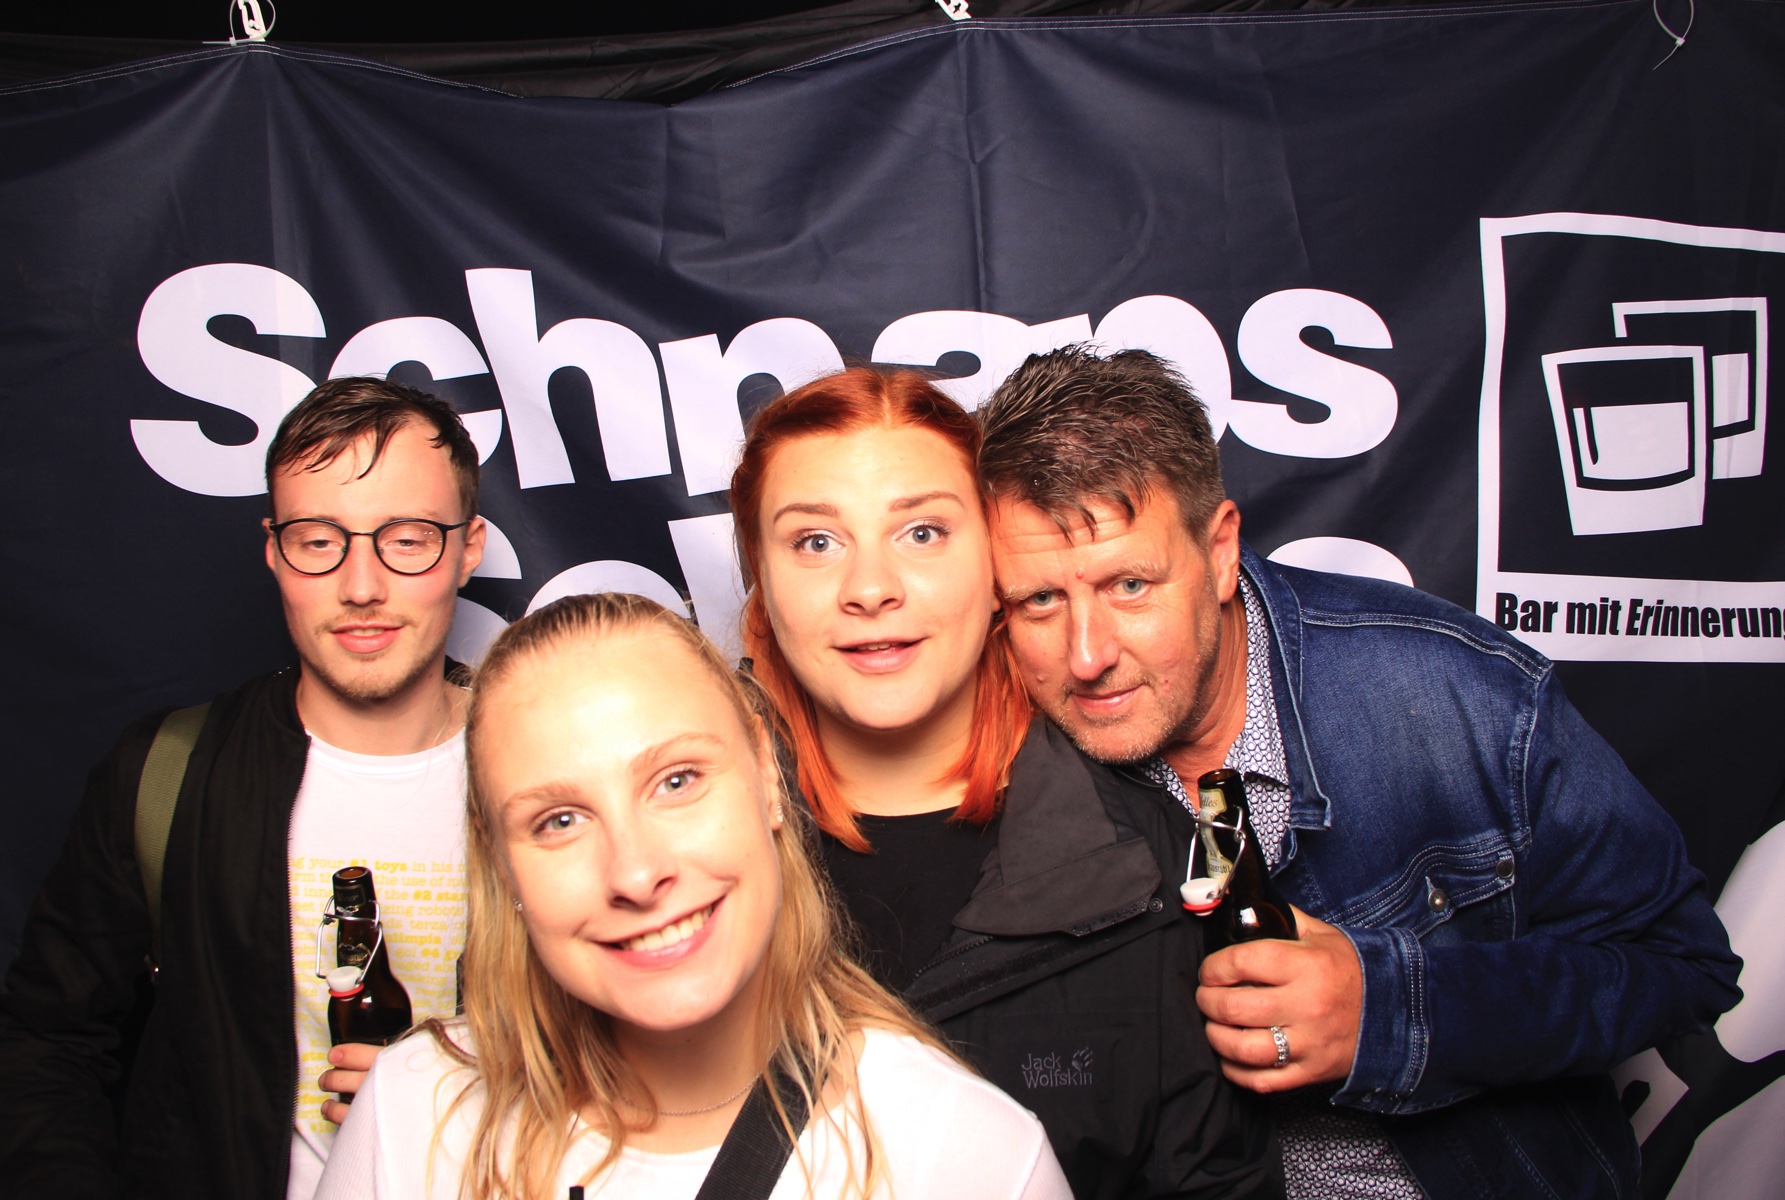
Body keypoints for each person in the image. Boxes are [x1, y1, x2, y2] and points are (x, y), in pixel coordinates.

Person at [977, 345, 1744, 1198]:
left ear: (1220, 550)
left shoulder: (1450, 694)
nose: (1087, 656)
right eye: (1040, 600)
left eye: (1128, 585)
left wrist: (1389, 1010)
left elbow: (1682, 965)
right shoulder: (988, 751)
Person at [315, 592, 1070, 1200]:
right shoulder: (412, 1115)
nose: (636, 873)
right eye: (560, 820)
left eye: (676, 781)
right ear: (501, 863)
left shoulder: (973, 1155)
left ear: (766, 777)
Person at [729, 367, 1277, 1198]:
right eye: (815, 542)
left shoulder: (1160, 864)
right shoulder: (678, 860)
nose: (870, 589)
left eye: (922, 532)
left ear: (996, 574)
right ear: (761, 585)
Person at [0, 377, 488, 1199]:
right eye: (317, 540)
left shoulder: (553, 775)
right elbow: (46, 1046)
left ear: (468, 548)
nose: (361, 585)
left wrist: (495, 1088)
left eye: (407, 539)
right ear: (273, 550)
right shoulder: (168, 774)